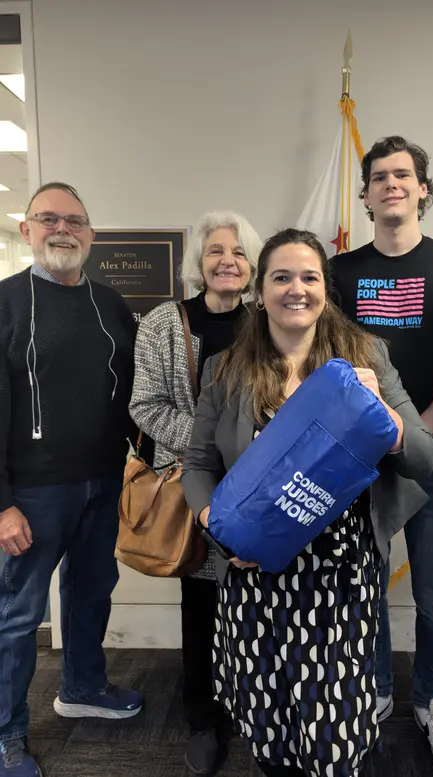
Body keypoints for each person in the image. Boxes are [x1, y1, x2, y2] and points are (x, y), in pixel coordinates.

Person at [181, 228, 433, 777]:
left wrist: (384, 420)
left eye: (309, 277)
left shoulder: (365, 357)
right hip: (255, 574)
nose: (296, 289)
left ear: (326, 288)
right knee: (270, 728)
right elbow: (198, 465)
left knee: (334, 735)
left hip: (340, 578)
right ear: (261, 290)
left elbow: (422, 457)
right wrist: (218, 530)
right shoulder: (225, 369)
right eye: (281, 277)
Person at [331, 136, 433, 777]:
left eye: (403, 175)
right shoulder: (340, 271)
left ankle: (430, 701)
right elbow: (332, 367)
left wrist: (416, 438)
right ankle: (371, 695)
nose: (391, 184)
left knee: (430, 594)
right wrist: (379, 443)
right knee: (361, 589)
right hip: (357, 462)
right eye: (379, 177)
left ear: (422, 188)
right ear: (367, 194)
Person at [0, 182, 142, 777]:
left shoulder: (110, 304)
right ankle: (6, 733)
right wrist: (1, 504)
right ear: (27, 229)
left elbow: (134, 396)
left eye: (74, 220)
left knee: (91, 592)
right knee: (18, 614)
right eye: (48, 219)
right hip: (31, 493)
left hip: (103, 481)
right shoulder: (5, 302)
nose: (62, 229)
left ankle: (83, 687)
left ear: (91, 233)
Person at [129, 211, 262, 775]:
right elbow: (144, 405)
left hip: (260, 486)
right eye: (215, 250)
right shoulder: (162, 323)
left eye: (237, 251)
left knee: (260, 602)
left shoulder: (268, 319)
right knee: (203, 609)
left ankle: (257, 709)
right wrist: (211, 445)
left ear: (252, 265)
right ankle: (203, 719)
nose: (226, 259)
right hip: (194, 486)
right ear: (197, 263)